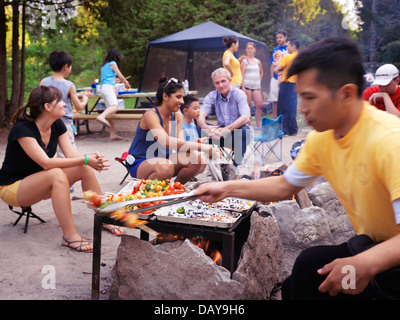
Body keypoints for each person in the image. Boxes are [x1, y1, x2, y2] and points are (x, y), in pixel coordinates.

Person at [195, 38, 400, 300]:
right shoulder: (322, 138)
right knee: (306, 268)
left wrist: (364, 265)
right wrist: (226, 188)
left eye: (310, 97)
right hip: (372, 244)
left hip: (391, 263)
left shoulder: (389, 141)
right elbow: (285, 185)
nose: (302, 108)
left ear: (347, 94)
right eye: (300, 96)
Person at [0, 86, 124, 252]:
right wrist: (86, 159)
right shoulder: (22, 129)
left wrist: (90, 158)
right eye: (60, 101)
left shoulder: (57, 124)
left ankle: (105, 218)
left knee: (83, 168)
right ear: (47, 107)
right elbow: (46, 163)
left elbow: (71, 155)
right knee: (56, 173)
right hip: (13, 188)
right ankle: (69, 236)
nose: (65, 105)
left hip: (39, 181)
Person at [126, 78, 220, 184]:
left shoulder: (177, 116)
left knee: (196, 158)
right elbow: (165, 141)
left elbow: (181, 146)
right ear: (165, 96)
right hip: (140, 162)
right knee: (166, 166)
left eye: (182, 97)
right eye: (178, 97)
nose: (182, 102)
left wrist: (194, 144)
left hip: (164, 160)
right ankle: (151, 194)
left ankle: (175, 190)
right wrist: (204, 147)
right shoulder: (151, 115)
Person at [197, 68, 251, 167]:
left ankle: (236, 167)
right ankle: (207, 166)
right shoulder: (212, 95)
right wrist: (206, 127)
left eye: (223, 81)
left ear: (230, 80)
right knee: (197, 128)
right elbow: (200, 114)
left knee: (244, 130)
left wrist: (226, 130)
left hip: (236, 135)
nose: (221, 85)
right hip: (219, 135)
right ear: (214, 84)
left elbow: (246, 117)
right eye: (217, 83)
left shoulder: (239, 94)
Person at [40, 50, 88, 156]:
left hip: (46, 123)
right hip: (64, 124)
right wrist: (85, 100)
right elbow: (78, 107)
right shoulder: (69, 85)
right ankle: (70, 172)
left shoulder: (44, 82)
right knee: (68, 153)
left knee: (48, 153)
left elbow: (39, 101)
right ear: (66, 66)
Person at [97, 49, 131, 140]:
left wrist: (114, 80)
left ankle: (112, 134)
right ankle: (101, 116)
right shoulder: (113, 63)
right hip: (108, 88)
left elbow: (107, 77)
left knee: (112, 111)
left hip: (103, 88)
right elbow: (121, 75)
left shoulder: (104, 66)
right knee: (114, 106)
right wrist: (126, 83)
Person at [274, 38, 300, 135]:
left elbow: (276, 69)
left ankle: (282, 130)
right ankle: (293, 130)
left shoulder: (287, 57)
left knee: (282, 108)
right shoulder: (300, 57)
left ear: (293, 46)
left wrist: (282, 69)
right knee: (292, 107)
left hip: (286, 84)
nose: (287, 47)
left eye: (288, 46)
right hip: (295, 84)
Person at [240, 42, 264, 128]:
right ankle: (248, 124)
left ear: (254, 49)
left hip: (256, 87)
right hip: (247, 86)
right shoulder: (244, 61)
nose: (250, 50)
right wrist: (243, 87)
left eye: (252, 48)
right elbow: (241, 74)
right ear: (246, 50)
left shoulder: (258, 61)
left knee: (259, 105)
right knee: (248, 106)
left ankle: (258, 124)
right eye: (248, 48)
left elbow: (261, 72)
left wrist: (259, 81)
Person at [269, 50, 284, 119]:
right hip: (275, 80)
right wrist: (272, 78)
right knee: (275, 100)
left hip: (282, 81)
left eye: (280, 56)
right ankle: (274, 117)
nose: (279, 58)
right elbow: (272, 68)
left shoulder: (284, 63)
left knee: (281, 100)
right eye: (277, 56)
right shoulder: (274, 63)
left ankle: (281, 116)